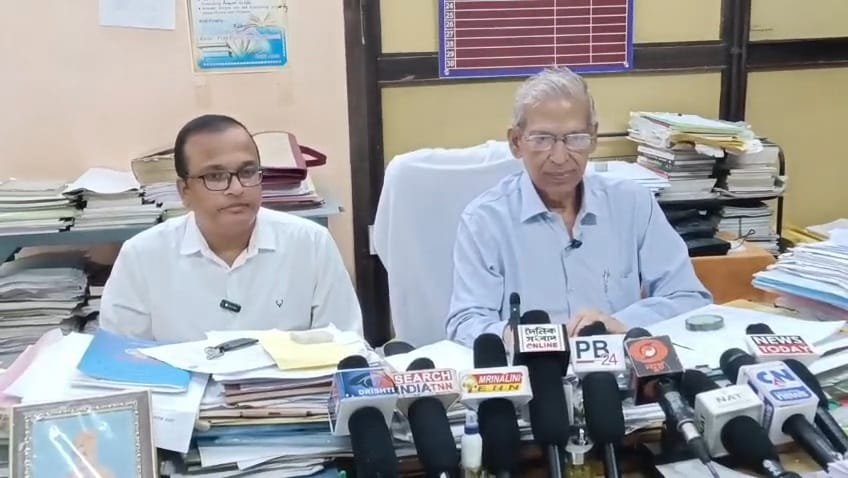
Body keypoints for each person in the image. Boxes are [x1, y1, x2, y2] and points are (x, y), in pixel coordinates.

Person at [446, 67, 712, 347]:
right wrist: (527, 337)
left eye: (575, 138)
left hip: (617, 366)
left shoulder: (633, 204)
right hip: (534, 368)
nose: (560, 157)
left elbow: (690, 298)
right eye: (542, 140)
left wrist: (622, 323)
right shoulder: (485, 220)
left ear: (593, 138)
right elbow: (465, 322)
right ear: (516, 142)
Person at [100, 114, 362, 341]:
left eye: (247, 172)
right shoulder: (142, 256)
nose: (236, 189)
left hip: (287, 387)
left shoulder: (311, 244)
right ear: (184, 191)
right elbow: (121, 358)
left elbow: (345, 347)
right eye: (215, 176)